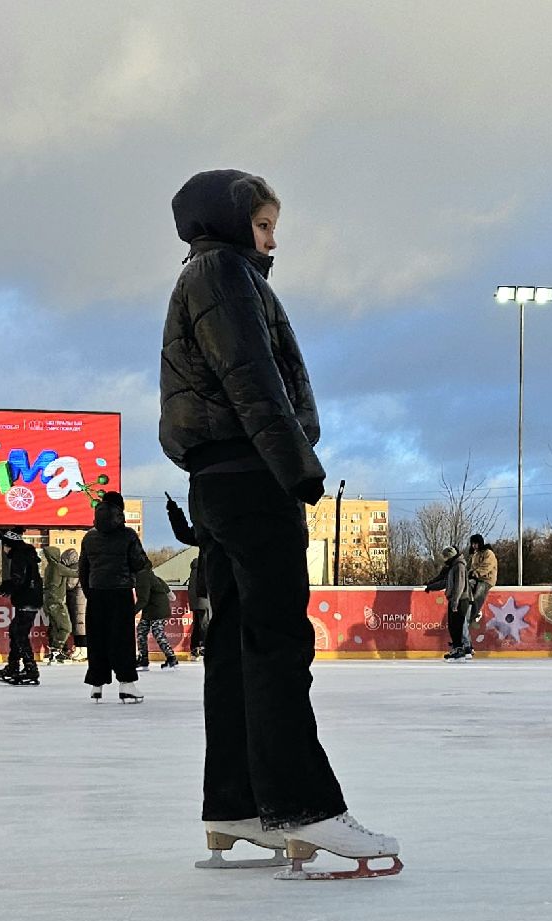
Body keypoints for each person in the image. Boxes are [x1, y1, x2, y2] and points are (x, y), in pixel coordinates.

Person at [159, 168, 397, 876]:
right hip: (252, 474)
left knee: (236, 643)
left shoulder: (203, 275)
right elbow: (251, 376)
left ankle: (234, 803)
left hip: (217, 480)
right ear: (229, 222)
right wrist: (294, 465)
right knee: (276, 643)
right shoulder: (226, 274)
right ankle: (304, 807)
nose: (271, 240)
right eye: (262, 225)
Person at [78, 491, 149, 702]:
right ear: (120, 511)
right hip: (120, 592)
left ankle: (96, 685)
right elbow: (140, 563)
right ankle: (126, 684)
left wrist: (90, 591)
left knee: (97, 638)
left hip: (96, 593)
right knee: (122, 639)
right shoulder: (127, 535)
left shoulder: (89, 537)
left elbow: (83, 569)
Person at [0, 528, 43, 686]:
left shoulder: (19, 556)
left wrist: (1, 589)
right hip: (30, 598)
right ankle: (13, 666)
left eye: (5, 546)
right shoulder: (25, 553)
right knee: (16, 632)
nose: (4, 549)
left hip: (27, 599)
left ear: (9, 545)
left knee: (20, 634)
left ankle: (30, 669)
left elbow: (18, 579)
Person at [165, 494, 208, 659]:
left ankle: (201, 647)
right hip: (217, 584)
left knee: (204, 622)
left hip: (210, 583)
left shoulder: (208, 528)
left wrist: (174, 513)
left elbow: (184, 534)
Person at [424, 545, 471, 660]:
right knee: (452, 626)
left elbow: (460, 585)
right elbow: (446, 583)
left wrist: (455, 601)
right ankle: (457, 648)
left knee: (457, 626)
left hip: (461, 600)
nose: (444, 560)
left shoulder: (459, 566)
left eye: (445, 557)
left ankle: (461, 650)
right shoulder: (452, 566)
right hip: (455, 599)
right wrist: (431, 586)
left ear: (450, 556)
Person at [135, 562, 178, 670]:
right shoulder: (155, 578)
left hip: (158, 611)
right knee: (142, 631)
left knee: (157, 632)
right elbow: (172, 597)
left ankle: (172, 659)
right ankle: (143, 660)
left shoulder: (143, 577)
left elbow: (143, 600)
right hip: (151, 611)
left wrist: (130, 613)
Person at [40, 541, 77, 665]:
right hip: (56, 601)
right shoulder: (57, 567)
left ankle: (53, 652)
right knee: (66, 627)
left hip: (48, 601)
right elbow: (75, 574)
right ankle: (56, 652)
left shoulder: (49, 568)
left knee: (55, 627)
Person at [463, 533, 498, 653]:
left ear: (480, 543)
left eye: (476, 543)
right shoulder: (475, 555)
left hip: (486, 580)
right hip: (476, 579)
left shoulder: (488, 553)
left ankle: (475, 612)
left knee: (478, 594)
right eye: (472, 544)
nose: (474, 546)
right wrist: (469, 574)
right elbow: (473, 568)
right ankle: (468, 610)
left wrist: (476, 573)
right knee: (466, 587)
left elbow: (487, 566)